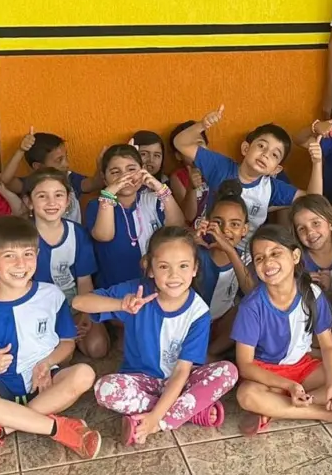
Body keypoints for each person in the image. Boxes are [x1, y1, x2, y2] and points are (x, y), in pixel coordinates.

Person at [0, 216, 101, 462]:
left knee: (84, 374)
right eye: (9, 256)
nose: (21, 263)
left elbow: (67, 343)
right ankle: (58, 428)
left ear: (37, 255)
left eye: (28, 254)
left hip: (44, 384)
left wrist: (47, 363)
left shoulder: (51, 295)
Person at [75, 227, 239, 444]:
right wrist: (121, 304)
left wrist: (155, 419)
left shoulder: (198, 313)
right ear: (149, 268)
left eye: (183, 266)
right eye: (163, 267)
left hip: (184, 380)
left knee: (228, 371)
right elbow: (79, 302)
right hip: (143, 381)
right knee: (105, 390)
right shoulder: (137, 292)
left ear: (194, 269)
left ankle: (160, 421)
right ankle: (192, 411)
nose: (174, 276)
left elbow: (182, 371)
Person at [232, 225, 332, 435]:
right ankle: (325, 413)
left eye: (275, 253)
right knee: (246, 396)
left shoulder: (312, 294)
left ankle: (278, 407)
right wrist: (289, 386)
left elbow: (327, 346)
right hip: (267, 375)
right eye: (259, 258)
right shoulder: (251, 306)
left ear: (295, 256)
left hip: (303, 368)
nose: (268, 262)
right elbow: (245, 365)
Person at [173, 105, 322, 240]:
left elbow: (314, 202)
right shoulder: (220, 167)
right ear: (245, 148)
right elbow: (180, 143)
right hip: (210, 245)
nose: (265, 154)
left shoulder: (272, 188)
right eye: (262, 146)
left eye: (274, 155)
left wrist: (317, 163)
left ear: (275, 169)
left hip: (246, 257)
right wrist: (202, 125)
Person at [24, 168, 108, 359]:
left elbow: (84, 281)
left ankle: (70, 336)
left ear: (68, 200)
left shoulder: (77, 234)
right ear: (29, 202)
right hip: (37, 311)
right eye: (42, 196)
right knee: (62, 358)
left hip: (72, 306)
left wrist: (84, 313)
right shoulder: (21, 237)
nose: (52, 202)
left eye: (58, 195)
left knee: (98, 348)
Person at [86, 144, 185, 288]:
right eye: (115, 172)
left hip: (154, 287)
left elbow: (177, 225)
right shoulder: (98, 205)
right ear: (104, 178)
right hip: (114, 290)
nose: (124, 177)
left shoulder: (153, 200)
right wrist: (108, 194)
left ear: (143, 171)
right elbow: (104, 235)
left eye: (131, 169)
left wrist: (160, 189)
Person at [195, 181, 254, 359]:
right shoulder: (195, 253)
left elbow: (251, 291)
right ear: (207, 224)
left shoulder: (244, 257)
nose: (225, 230)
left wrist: (229, 250)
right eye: (218, 222)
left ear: (245, 230)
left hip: (220, 325)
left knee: (249, 308)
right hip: (191, 324)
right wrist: (191, 240)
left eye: (235, 225)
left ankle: (210, 354)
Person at [0, 130, 101, 223]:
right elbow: (6, 180)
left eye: (66, 157)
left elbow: (94, 183)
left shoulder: (70, 179)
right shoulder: (31, 184)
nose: (66, 164)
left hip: (71, 237)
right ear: (38, 166)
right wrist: (21, 150)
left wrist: (102, 166)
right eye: (59, 160)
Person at [291, 195, 332, 301]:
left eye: (316, 223)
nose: (310, 232)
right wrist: (302, 286)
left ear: (331, 224)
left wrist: (329, 291)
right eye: (302, 228)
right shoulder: (295, 260)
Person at [168, 120, 210, 225]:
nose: (195, 150)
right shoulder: (177, 177)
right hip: (193, 232)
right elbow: (188, 216)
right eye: (188, 146)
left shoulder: (217, 170)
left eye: (199, 143)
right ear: (178, 155)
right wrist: (191, 188)